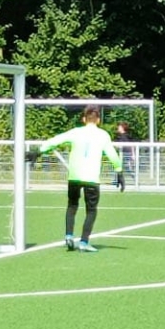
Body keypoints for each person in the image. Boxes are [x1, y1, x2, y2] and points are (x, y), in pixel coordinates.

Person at [36, 104, 123, 252]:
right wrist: (119, 171)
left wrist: (39, 151)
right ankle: (84, 241)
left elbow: (55, 140)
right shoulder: (103, 135)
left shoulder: (76, 132)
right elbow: (112, 155)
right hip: (91, 178)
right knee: (91, 210)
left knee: (72, 205)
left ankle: (69, 236)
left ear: (84, 119)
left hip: (74, 176)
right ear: (98, 120)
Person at [112, 121, 134, 192]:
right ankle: (117, 182)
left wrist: (132, 154)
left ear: (122, 128)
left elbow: (130, 145)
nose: (118, 128)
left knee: (128, 169)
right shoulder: (120, 136)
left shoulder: (126, 136)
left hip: (126, 154)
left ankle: (135, 180)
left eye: (119, 127)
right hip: (122, 154)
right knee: (118, 168)